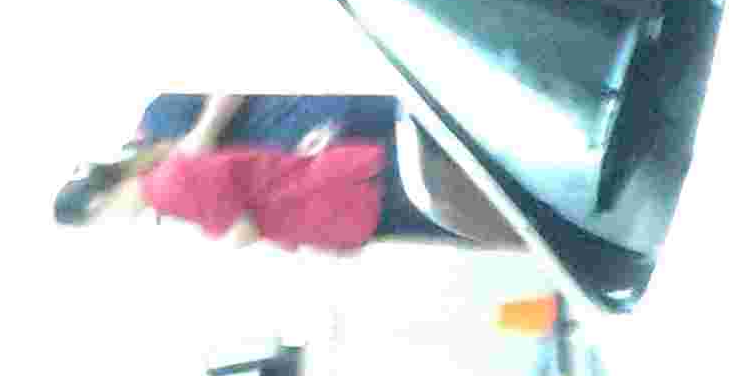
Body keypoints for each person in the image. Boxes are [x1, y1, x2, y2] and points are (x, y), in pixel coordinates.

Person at [51, 92, 517, 249]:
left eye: (102, 220)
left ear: (99, 201)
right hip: (335, 189)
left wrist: (203, 135)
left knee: (473, 169)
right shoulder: (165, 193)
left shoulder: (162, 129)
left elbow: (243, 228)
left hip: (337, 144)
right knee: (467, 202)